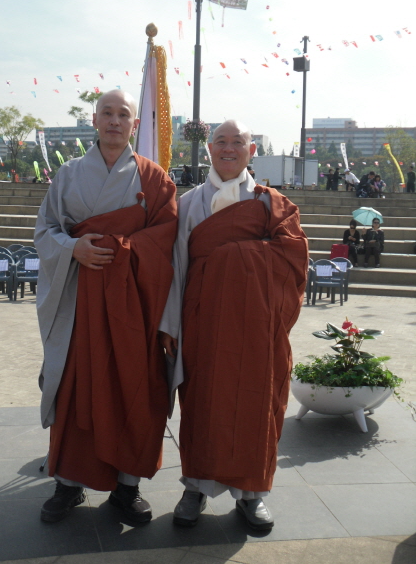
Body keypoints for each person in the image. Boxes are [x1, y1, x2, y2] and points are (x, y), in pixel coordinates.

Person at [35, 89, 178, 524]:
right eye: (107, 113)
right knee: (75, 384)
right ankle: (68, 483)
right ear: (95, 120)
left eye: (123, 115)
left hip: (132, 307)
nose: (115, 121)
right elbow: (45, 232)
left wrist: (124, 249)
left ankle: (126, 488)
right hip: (79, 301)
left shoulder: (154, 179)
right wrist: (73, 248)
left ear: (134, 124)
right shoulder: (68, 174)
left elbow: (166, 240)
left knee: (132, 387)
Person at [158, 120, 308, 531]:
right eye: (220, 141)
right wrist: (170, 324)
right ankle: (195, 488)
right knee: (202, 404)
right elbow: (175, 267)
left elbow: (294, 261)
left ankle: (251, 493)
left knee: (256, 406)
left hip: (256, 327)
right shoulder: (188, 203)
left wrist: (232, 257)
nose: (228, 148)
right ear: (209, 148)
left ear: (251, 150)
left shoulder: (271, 204)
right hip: (203, 323)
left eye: (237, 142)